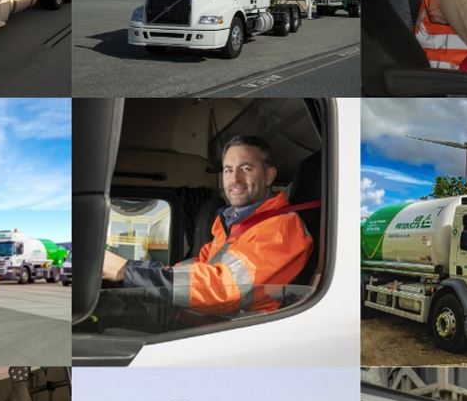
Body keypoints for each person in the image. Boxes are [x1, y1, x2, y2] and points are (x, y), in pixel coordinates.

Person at [101, 135, 314, 315]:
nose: (235, 179)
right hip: (214, 324)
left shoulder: (282, 228)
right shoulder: (232, 222)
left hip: (246, 333)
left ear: (269, 176)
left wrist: (126, 271)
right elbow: (198, 268)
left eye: (246, 168)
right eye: (228, 170)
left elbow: (224, 287)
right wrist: (133, 272)